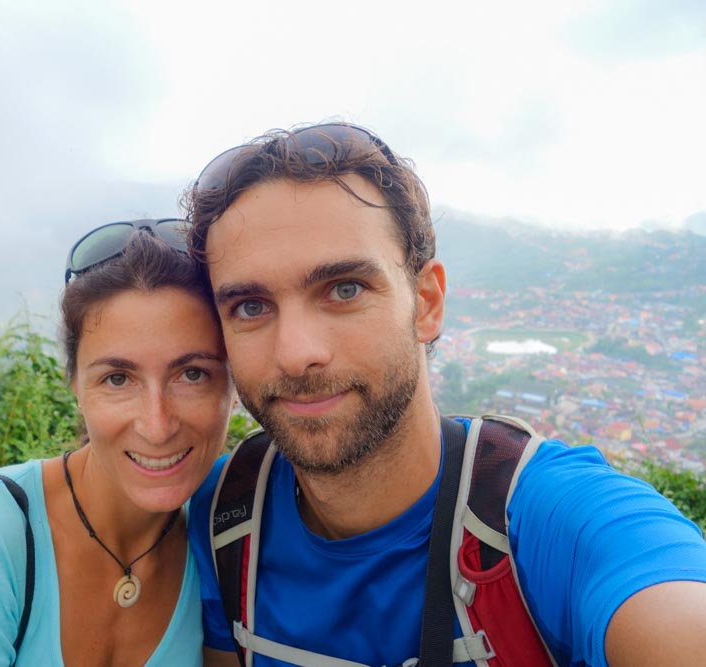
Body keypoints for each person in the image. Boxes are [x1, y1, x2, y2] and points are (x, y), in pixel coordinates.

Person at [182, 123, 706, 667]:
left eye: (345, 289)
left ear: (426, 303)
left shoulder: (544, 523)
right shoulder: (226, 515)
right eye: (250, 306)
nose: (296, 353)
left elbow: (671, 609)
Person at [0, 219, 235, 666]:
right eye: (117, 378)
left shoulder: (232, 527)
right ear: (74, 384)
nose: (157, 425)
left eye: (192, 374)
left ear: (234, 383)